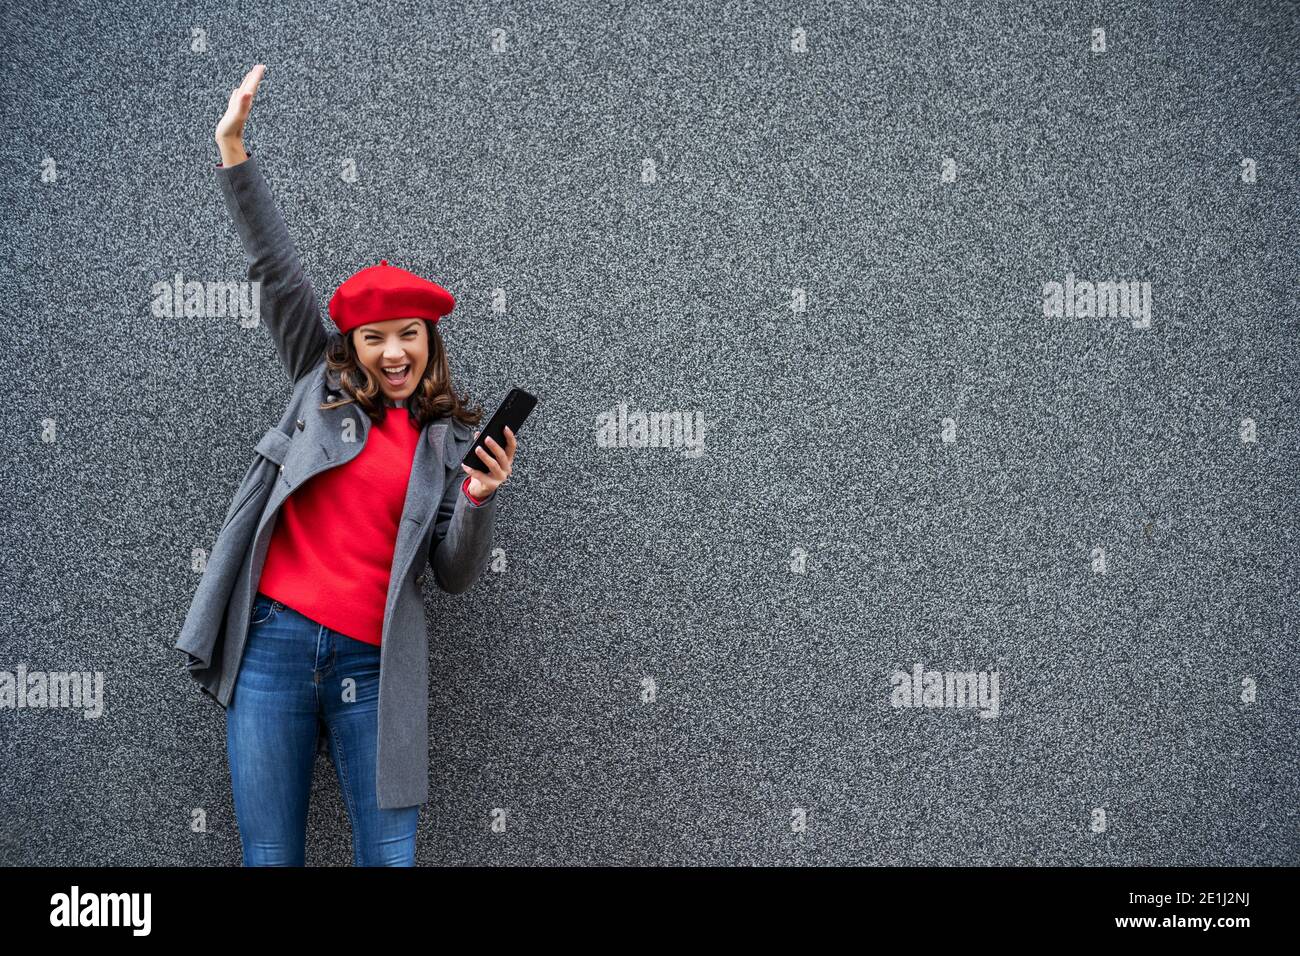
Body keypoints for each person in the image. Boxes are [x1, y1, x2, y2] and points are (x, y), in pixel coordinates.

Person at [200, 63, 519, 865]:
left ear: (428, 341)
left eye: (408, 333)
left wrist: (478, 496)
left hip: (374, 665)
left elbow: (451, 574)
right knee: (270, 857)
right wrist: (235, 149)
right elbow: (277, 270)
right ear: (352, 346)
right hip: (272, 644)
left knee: (389, 859)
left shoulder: (445, 442)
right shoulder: (319, 379)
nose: (393, 350)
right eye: (374, 337)